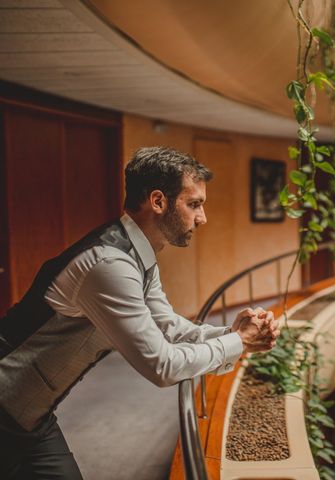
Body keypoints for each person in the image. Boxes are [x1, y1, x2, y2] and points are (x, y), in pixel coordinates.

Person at [0, 146, 280, 479]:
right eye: (194, 204)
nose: (202, 218)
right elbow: (161, 365)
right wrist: (238, 342)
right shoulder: (110, 264)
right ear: (158, 201)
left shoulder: (136, 253)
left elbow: (167, 325)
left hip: (31, 414)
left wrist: (232, 335)